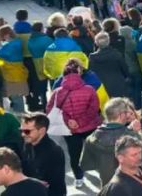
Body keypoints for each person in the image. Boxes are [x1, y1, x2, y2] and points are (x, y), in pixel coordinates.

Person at [46, 59, 102, 188]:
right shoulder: (89, 89)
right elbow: (94, 109)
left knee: (74, 154)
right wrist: (80, 122)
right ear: (79, 74)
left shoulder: (57, 92)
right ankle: (100, 171)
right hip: (90, 126)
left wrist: (68, 121)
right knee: (95, 150)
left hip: (69, 130)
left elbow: (50, 109)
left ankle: (78, 177)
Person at [80, 98, 142, 187]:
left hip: (109, 186)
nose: (128, 115)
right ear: (121, 115)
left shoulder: (91, 138)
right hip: (133, 185)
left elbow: (86, 165)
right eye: (126, 112)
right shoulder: (133, 138)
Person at [19, 112, 65, 196]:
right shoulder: (27, 143)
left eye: (27, 131)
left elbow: (56, 185)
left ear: (42, 130)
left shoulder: (54, 152)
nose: (23, 134)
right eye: (21, 130)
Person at [88, 32, 129, 98]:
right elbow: (125, 69)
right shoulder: (116, 54)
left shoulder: (92, 57)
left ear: (96, 43)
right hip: (117, 84)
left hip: (101, 86)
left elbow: (90, 72)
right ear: (108, 41)